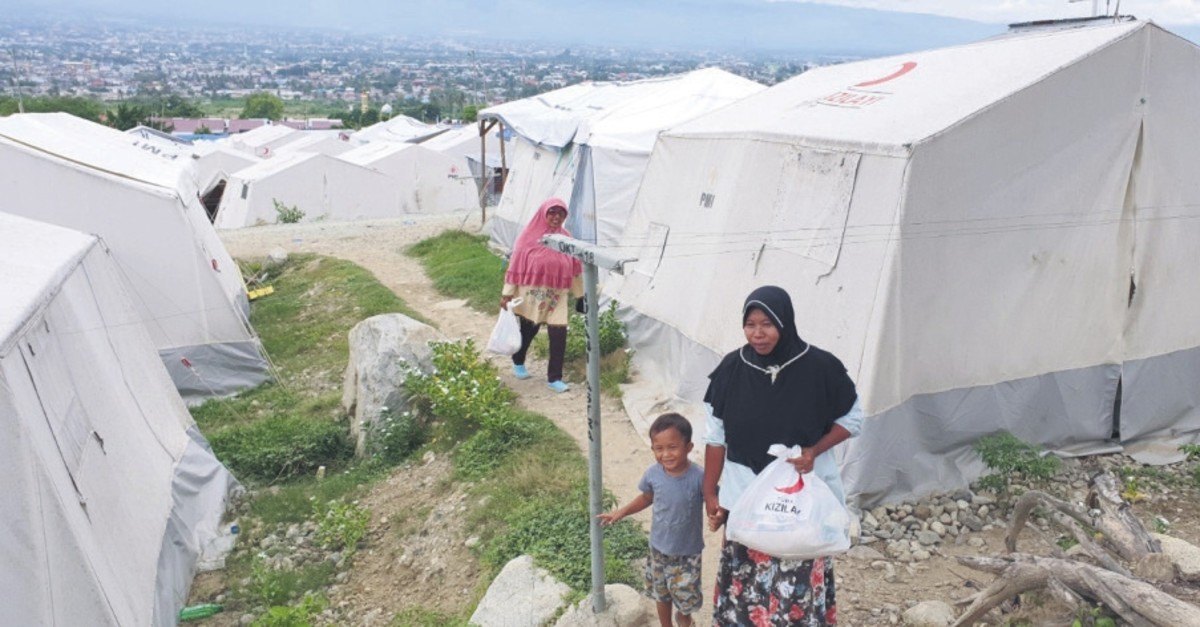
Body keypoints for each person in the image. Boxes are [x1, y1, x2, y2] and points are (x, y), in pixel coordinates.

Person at [703, 285, 863, 626]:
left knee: (796, 574)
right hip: (745, 495)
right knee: (746, 582)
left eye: (767, 324)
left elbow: (852, 419)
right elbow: (715, 437)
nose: (758, 334)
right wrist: (710, 492)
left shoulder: (820, 367)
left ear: (785, 322)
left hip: (800, 501)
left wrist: (814, 450)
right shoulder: (732, 368)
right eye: (750, 324)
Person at [598, 413, 705, 627]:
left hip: (687, 554)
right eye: (659, 448)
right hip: (658, 550)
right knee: (661, 594)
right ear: (653, 449)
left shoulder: (699, 476)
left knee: (686, 601)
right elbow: (647, 497)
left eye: (673, 447)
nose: (666, 454)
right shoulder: (653, 474)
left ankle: (685, 621)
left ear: (689, 447)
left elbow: (714, 499)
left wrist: (718, 514)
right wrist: (621, 512)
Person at [499, 197, 583, 392]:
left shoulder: (565, 238)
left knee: (559, 334)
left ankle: (554, 378)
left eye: (561, 213)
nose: (556, 217)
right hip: (532, 294)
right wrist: (507, 294)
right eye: (552, 213)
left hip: (557, 295)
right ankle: (518, 360)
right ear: (544, 214)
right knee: (529, 330)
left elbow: (575, 269)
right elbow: (515, 267)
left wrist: (580, 296)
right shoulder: (528, 237)